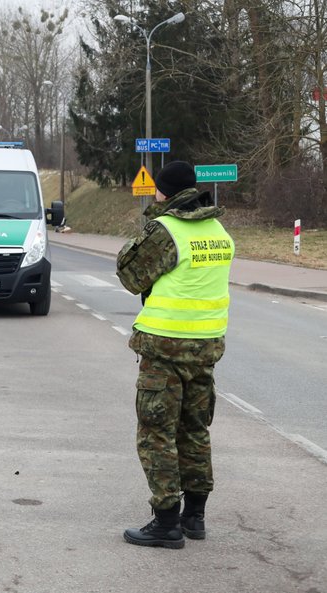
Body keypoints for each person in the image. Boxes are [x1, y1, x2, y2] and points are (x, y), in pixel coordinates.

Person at [116, 161, 234, 549]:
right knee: (194, 431)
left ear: (164, 193)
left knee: (156, 434)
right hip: (205, 350)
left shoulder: (167, 231)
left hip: (165, 350)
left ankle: (166, 521)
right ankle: (194, 517)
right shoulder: (219, 232)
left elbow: (130, 275)